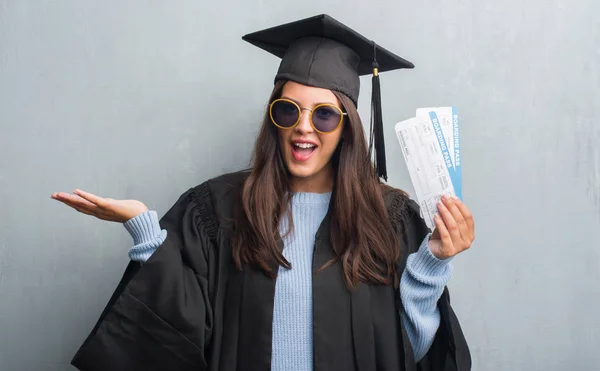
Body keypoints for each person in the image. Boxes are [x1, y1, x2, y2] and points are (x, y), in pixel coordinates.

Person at [51, 14, 474, 371]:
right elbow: (175, 332)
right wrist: (144, 229)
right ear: (274, 116)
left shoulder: (388, 217)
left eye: (325, 115)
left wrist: (432, 262)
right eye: (288, 109)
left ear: (347, 126)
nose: (303, 126)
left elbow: (410, 355)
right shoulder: (218, 210)